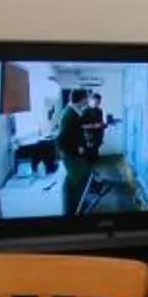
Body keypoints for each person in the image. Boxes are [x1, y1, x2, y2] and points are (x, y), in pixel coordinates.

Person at [55, 88, 97, 216]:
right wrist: (78, 149)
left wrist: (82, 143)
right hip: (70, 155)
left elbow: (75, 132)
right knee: (75, 182)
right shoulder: (69, 114)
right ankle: (72, 211)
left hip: (74, 153)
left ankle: (80, 203)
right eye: (87, 97)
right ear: (82, 98)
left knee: (84, 176)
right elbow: (61, 140)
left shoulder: (74, 111)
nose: (88, 100)